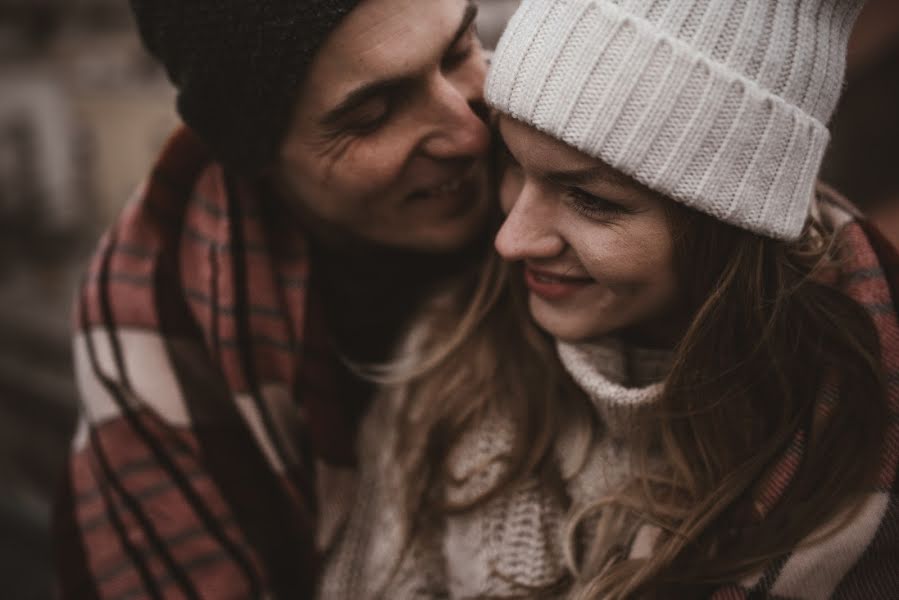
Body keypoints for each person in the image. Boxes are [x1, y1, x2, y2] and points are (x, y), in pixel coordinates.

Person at [319, 0, 899, 598]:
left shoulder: (848, 459)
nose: (511, 240)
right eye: (512, 166)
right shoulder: (447, 358)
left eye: (591, 200)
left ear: (728, 228)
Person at [53, 0, 494, 597]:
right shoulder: (163, 326)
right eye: (370, 115)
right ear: (257, 157)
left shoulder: (591, 188)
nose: (469, 135)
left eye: (460, 50)